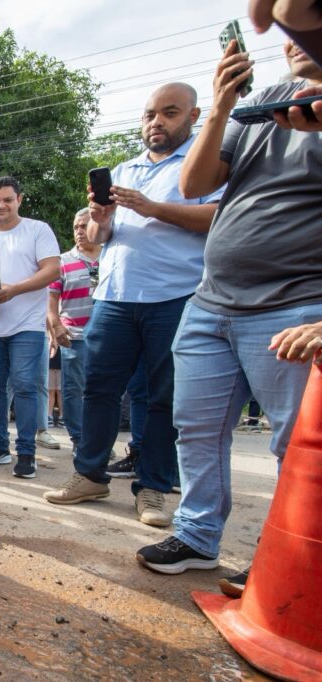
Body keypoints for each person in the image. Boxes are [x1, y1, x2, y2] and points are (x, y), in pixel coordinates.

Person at [136, 40, 322, 576]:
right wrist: (220, 104)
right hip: (211, 301)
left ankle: (288, 561)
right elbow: (194, 183)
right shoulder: (262, 102)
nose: (288, 33)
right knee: (196, 428)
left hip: (295, 305)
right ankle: (197, 535)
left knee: (296, 444)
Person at [43, 82, 222, 527]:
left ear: (193, 116)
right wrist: (101, 221)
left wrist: (151, 207)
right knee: (98, 390)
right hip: (114, 296)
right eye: (149, 115)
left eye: (169, 113)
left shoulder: (204, 166)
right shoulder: (126, 169)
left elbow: (217, 217)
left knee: (163, 398)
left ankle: (153, 489)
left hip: (176, 296)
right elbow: (101, 238)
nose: (156, 122)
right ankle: (90, 475)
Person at [0, 177, 60, 479]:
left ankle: (26, 452)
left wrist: (14, 290)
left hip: (27, 326)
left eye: (7, 200)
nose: (0, 206)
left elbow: (53, 270)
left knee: (25, 386)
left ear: (19, 200)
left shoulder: (37, 230)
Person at [47, 208, 101, 454]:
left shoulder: (111, 257)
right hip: (74, 336)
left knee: (102, 390)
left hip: (106, 336)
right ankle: (80, 440)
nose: (79, 231)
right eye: (76, 227)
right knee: (72, 390)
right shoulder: (62, 261)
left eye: (84, 226)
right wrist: (56, 326)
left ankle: (98, 440)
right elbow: (51, 301)